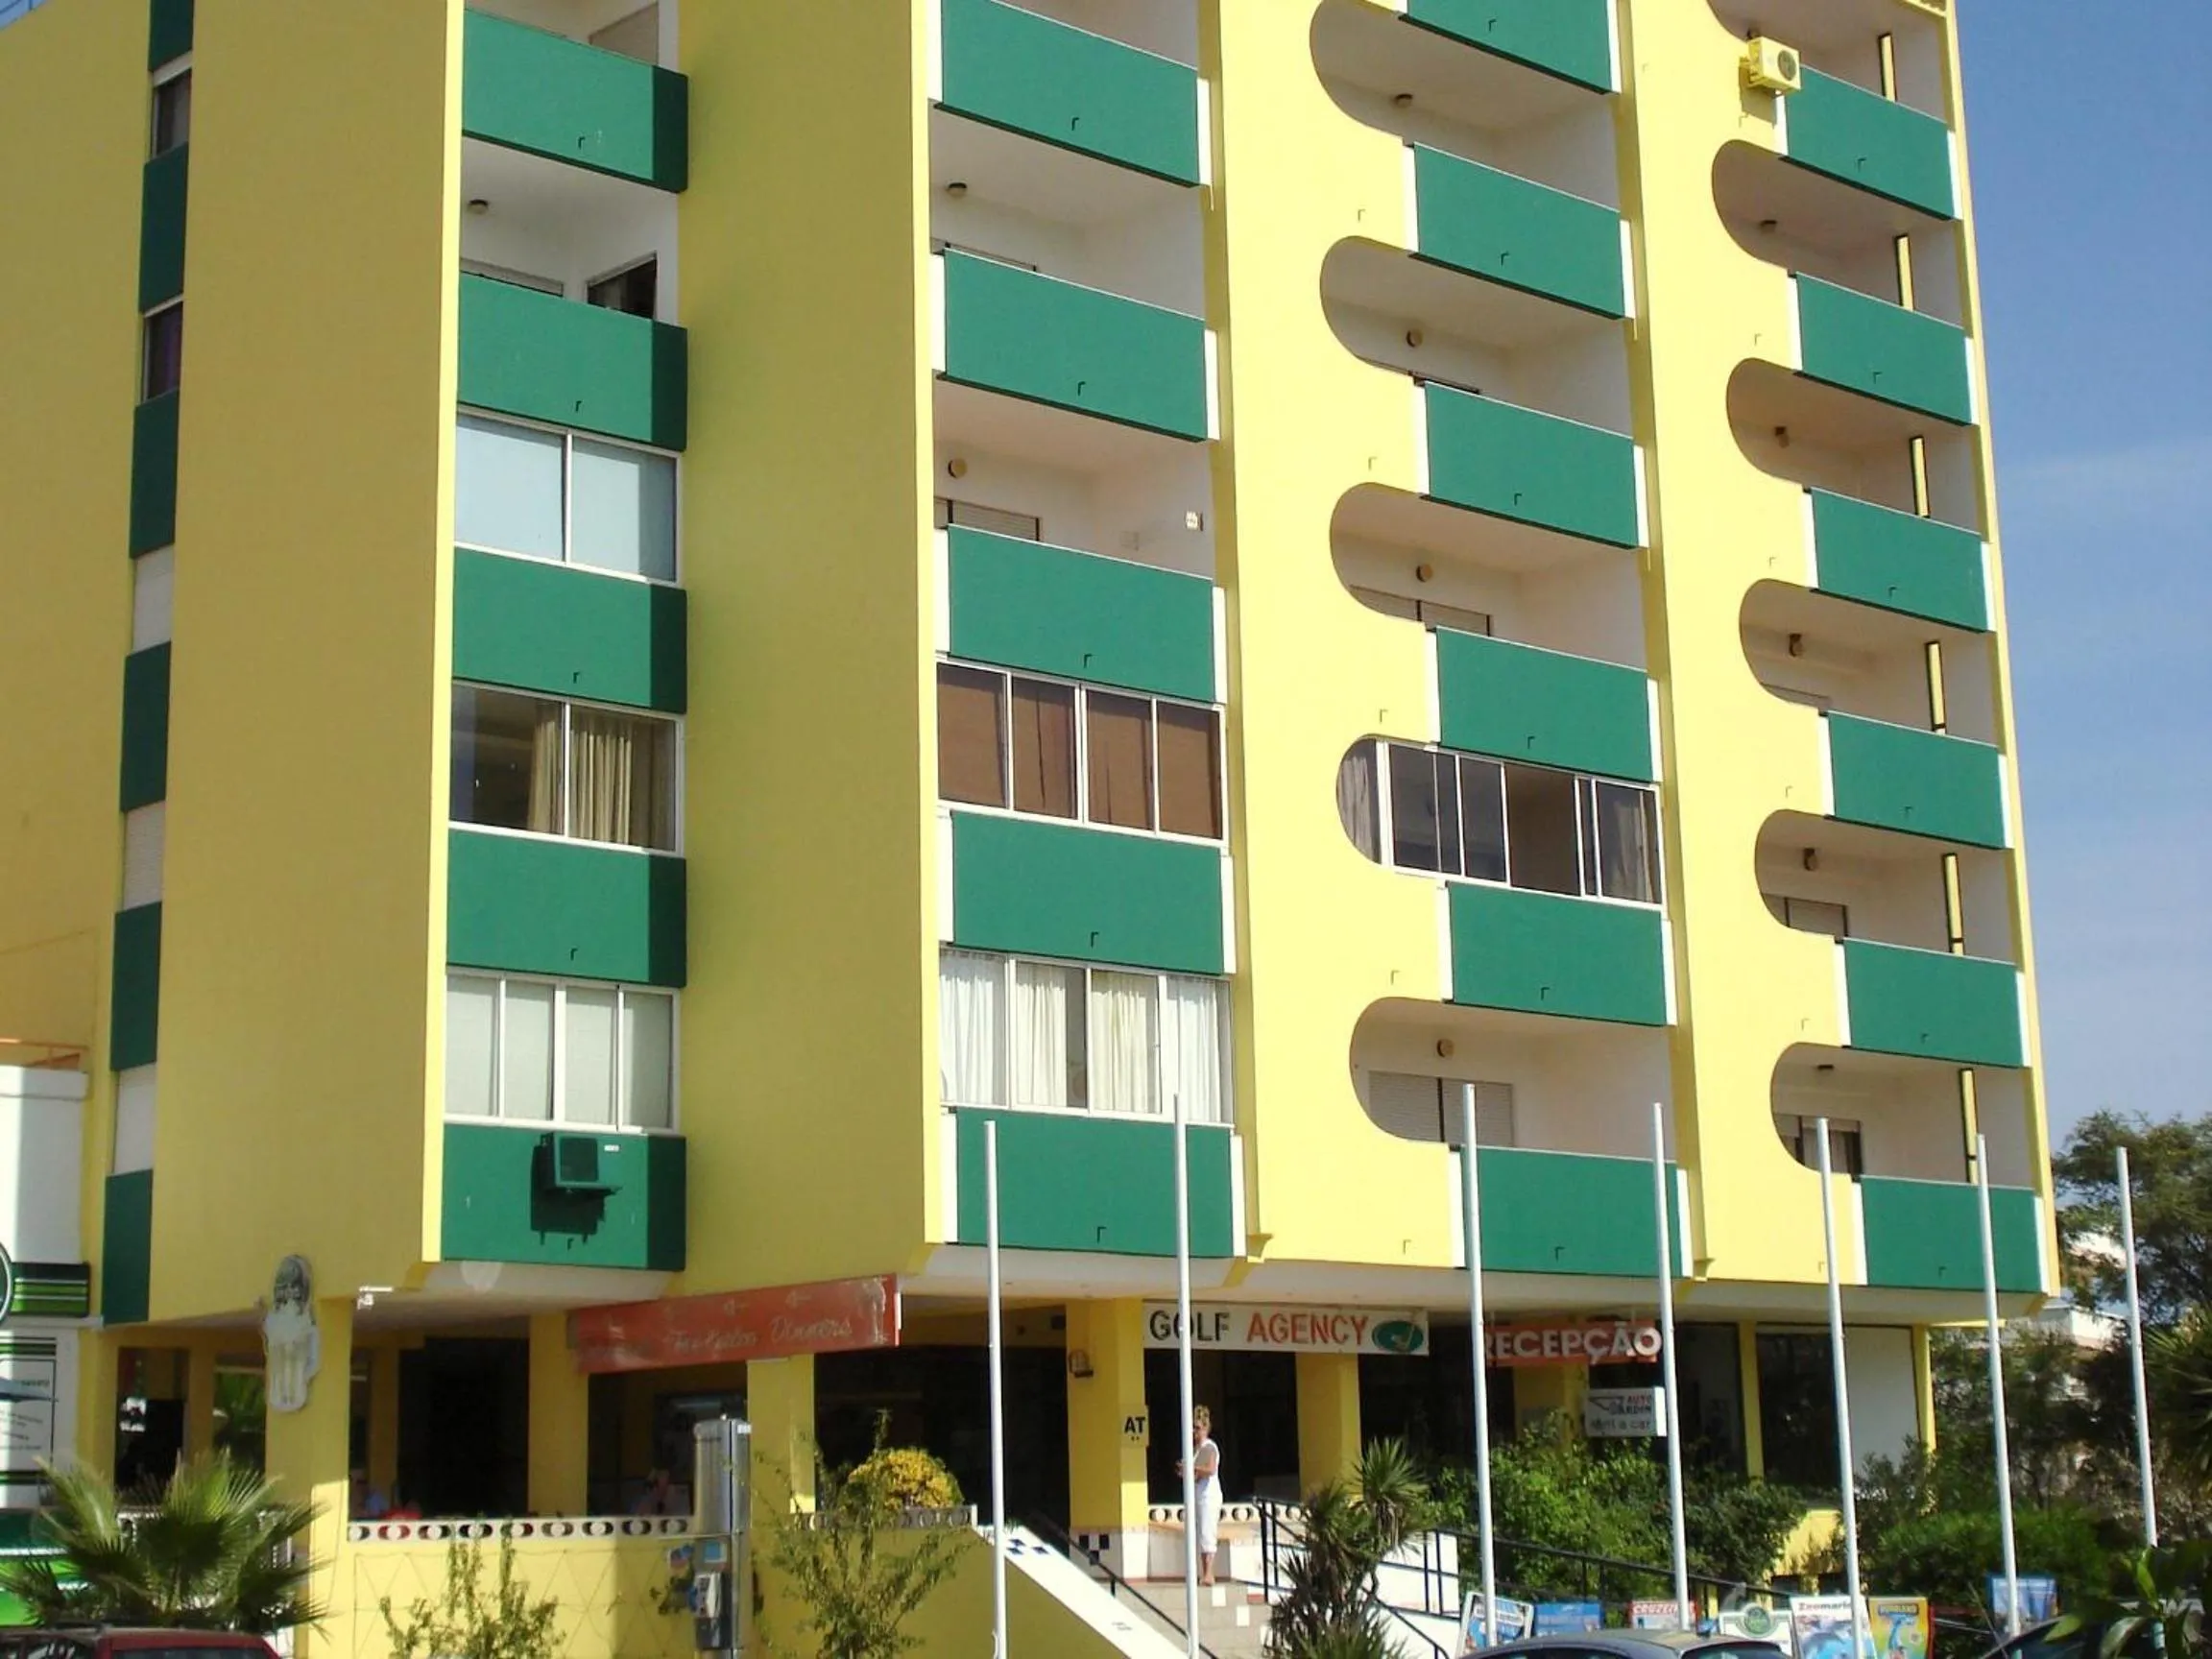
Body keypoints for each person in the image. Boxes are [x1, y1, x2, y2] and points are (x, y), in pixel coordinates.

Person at [1174, 1407, 1223, 1587]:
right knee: (1197, 1534)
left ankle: (1209, 1573)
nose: (1195, 1432)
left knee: (1207, 1533)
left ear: (1205, 1427)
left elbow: (1210, 1469)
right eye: (1193, 1428)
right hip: (1196, 1495)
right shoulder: (1195, 1450)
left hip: (1208, 1496)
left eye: (1198, 1428)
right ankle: (1201, 1572)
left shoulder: (1210, 1447)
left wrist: (1192, 1469)